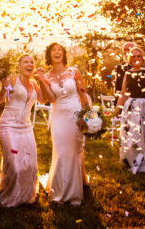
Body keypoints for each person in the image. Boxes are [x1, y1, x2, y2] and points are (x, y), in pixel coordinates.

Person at [35, 42, 89, 205]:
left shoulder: (74, 71)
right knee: (60, 151)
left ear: (64, 54)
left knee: (73, 151)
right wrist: (41, 80)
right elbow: (49, 99)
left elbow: (84, 95)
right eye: (53, 50)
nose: (57, 52)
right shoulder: (46, 76)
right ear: (49, 55)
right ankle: (58, 190)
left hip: (75, 114)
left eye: (60, 50)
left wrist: (85, 117)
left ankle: (73, 191)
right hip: (58, 116)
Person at [0, 54, 43, 207]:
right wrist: (4, 87)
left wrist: (43, 81)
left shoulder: (34, 84)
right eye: (25, 62)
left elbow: (43, 100)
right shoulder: (13, 79)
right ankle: (10, 193)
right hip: (8, 125)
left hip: (26, 128)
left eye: (31, 62)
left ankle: (26, 194)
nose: (29, 64)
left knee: (31, 165)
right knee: (14, 163)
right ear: (19, 66)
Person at [116, 46, 145, 174]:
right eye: (133, 56)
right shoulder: (128, 73)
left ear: (143, 57)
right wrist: (117, 110)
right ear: (130, 59)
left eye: (138, 56)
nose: (136, 58)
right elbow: (124, 92)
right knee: (133, 135)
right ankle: (133, 159)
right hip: (131, 107)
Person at [113, 42, 136, 108]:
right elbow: (118, 88)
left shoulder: (143, 67)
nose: (126, 52)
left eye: (128, 49)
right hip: (123, 103)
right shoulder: (120, 68)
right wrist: (116, 105)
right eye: (124, 50)